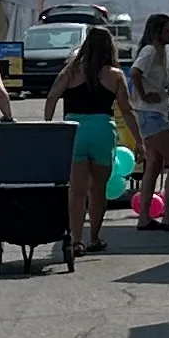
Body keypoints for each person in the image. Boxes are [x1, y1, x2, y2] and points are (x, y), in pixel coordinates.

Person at [50, 24, 123, 257]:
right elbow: (127, 109)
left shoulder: (70, 71)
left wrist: (49, 126)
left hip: (75, 133)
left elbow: (52, 97)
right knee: (98, 190)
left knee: (77, 191)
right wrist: (140, 140)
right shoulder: (114, 75)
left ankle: (77, 240)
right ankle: (94, 238)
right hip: (102, 131)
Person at [125, 13, 169, 226]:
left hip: (150, 114)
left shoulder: (159, 52)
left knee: (154, 164)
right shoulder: (150, 50)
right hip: (151, 114)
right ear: (157, 31)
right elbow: (135, 72)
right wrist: (144, 95)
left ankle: (145, 216)